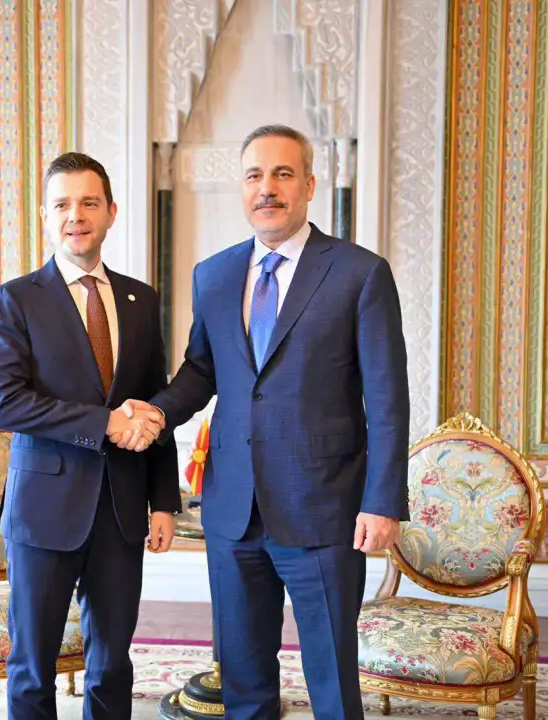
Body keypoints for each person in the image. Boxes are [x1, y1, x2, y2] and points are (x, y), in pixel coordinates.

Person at [119, 124, 410, 719]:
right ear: (242, 186)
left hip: (323, 509)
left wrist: (382, 502)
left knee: (332, 679)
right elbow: (202, 371)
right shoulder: (215, 274)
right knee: (243, 678)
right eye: (254, 175)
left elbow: (387, 398)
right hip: (233, 510)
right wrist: (157, 412)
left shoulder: (359, 273)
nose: (267, 188)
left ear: (309, 185)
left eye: (282, 174)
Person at [0, 151, 180, 720]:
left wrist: (163, 501)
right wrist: (105, 422)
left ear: (111, 212)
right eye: (62, 204)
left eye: (89, 202)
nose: (76, 215)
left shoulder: (141, 301)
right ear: (46, 216)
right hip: (43, 510)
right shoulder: (15, 300)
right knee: (32, 665)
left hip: (121, 508)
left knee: (112, 664)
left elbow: (155, 405)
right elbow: (4, 402)